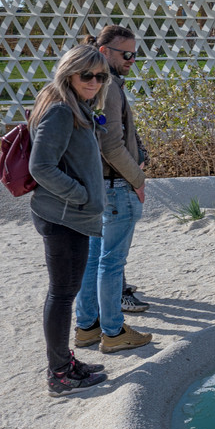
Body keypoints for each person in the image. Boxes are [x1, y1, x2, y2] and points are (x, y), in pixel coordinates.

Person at [27, 45, 111, 395]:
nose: (94, 81)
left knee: (65, 293)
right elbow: (40, 166)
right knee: (62, 295)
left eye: (100, 76)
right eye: (86, 75)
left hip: (69, 216)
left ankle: (64, 362)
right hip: (64, 216)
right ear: (69, 74)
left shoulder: (76, 107)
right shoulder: (62, 111)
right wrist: (81, 195)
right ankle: (59, 373)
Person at [74, 27, 153, 354]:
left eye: (135, 54)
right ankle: (113, 331)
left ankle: (87, 326)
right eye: (127, 54)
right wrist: (138, 179)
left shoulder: (92, 86)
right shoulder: (109, 88)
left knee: (94, 258)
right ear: (105, 52)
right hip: (116, 186)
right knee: (110, 262)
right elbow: (112, 146)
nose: (133, 60)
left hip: (98, 184)